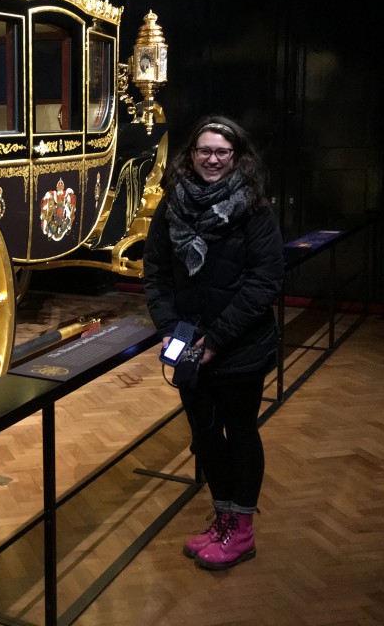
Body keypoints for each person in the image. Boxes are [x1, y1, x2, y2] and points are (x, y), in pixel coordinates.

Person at [143, 115, 284, 570]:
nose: (213, 159)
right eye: (205, 150)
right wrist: (168, 327)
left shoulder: (255, 209)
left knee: (239, 434)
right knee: (204, 437)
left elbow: (264, 282)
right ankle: (223, 517)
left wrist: (217, 339)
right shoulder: (172, 207)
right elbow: (157, 272)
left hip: (240, 344)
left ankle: (241, 531)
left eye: (222, 151)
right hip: (187, 341)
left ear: (236, 156)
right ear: (192, 154)